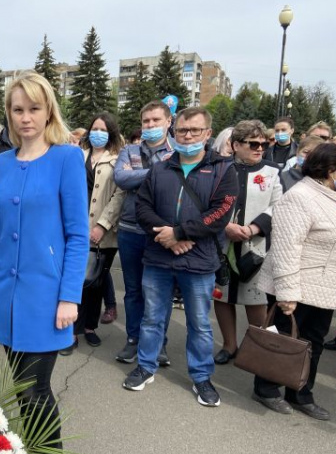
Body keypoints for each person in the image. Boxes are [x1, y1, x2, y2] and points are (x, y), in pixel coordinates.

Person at [0, 71, 87, 454]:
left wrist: (69, 297)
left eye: (34, 109)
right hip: (5, 294)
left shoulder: (67, 158)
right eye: (18, 109)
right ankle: (30, 452)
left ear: (48, 110)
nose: (26, 118)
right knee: (21, 386)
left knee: (36, 386)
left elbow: (77, 234)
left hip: (46, 296)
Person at [124, 107, 238, 407]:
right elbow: (142, 208)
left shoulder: (224, 169)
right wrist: (168, 237)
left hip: (199, 261)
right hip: (159, 256)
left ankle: (201, 377)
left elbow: (220, 213)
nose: (187, 135)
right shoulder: (160, 168)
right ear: (174, 131)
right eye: (183, 130)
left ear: (208, 134)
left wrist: (181, 233)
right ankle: (146, 366)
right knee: (152, 318)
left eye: (195, 130)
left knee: (199, 322)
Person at [253, 143, 336, 420]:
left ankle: (301, 394)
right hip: (297, 287)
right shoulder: (300, 196)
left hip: (324, 288)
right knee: (282, 341)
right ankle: (266, 389)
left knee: (312, 344)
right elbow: (286, 247)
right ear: (331, 169)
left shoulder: (333, 195)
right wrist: (286, 292)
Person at [212, 121, 282, 365]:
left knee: (256, 299)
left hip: (257, 247)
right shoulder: (220, 169)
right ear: (235, 145)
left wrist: (254, 228)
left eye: (264, 143)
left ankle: (258, 349)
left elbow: (278, 206)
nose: (260, 148)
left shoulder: (273, 172)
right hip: (222, 245)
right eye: (253, 143)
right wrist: (226, 226)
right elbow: (208, 203)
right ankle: (229, 345)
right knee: (222, 297)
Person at [113, 100, 175, 365]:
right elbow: (121, 178)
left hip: (162, 232)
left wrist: (140, 175)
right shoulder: (129, 150)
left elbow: (174, 183)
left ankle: (159, 343)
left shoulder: (179, 152)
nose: (150, 125)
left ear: (168, 122)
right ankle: (133, 339)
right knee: (133, 291)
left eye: (156, 121)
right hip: (129, 230)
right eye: (146, 121)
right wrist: (159, 171)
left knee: (159, 291)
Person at [62, 112, 124, 355]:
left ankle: (90, 327)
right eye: (94, 128)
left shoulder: (119, 159)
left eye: (103, 129)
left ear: (110, 133)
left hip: (104, 233)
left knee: (96, 282)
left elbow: (120, 195)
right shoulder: (78, 154)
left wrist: (102, 225)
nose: (98, 133)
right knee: (76, 281)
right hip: (76, 229)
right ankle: (72, 331)